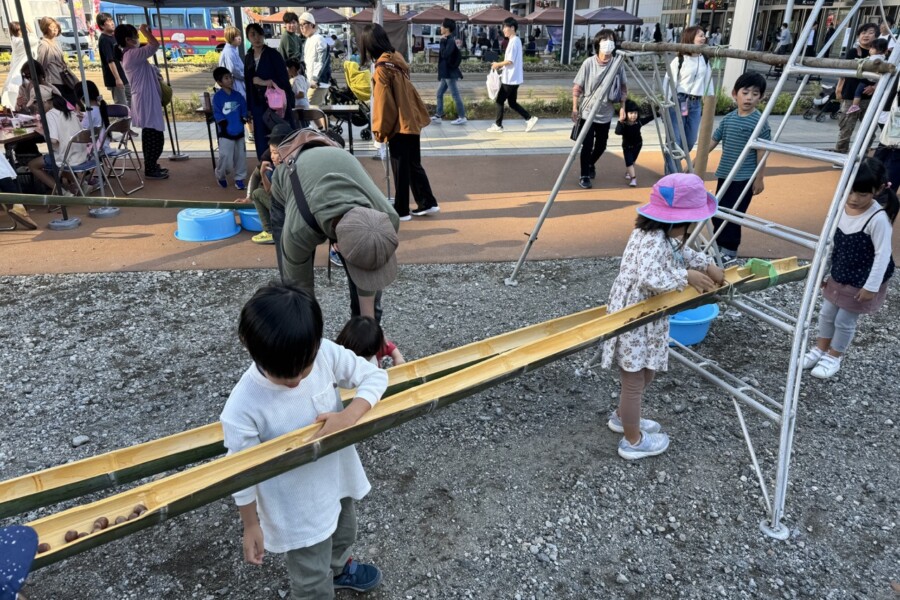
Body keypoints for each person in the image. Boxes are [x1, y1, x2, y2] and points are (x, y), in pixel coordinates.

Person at [221, 283, 385, 599]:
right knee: (310, 579)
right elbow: (241, 470)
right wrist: (251, 524)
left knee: (343, 532)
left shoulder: (323, 352)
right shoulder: (243, 405)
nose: (296, 380)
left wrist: (349, 415)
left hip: (337, 481)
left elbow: (376, 376)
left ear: (315, 343)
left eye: (303, 368)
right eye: (284, 374)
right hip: (296, 508)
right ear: (250, 347)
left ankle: (339, 570)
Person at [601, 173, 724, 460]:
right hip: (634, 318)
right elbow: (649, 276)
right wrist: (686, 276)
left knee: (648, 370)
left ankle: (623, 417)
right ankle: (632, 440)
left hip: (647, 315)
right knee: (634, 379)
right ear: (678, 222)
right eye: (690, 224)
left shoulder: (662, 236)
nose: (690, 230)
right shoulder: (653, 240)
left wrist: (706, 264)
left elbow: (681, 255)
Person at [270, 139, 400, 322]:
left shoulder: (387, 219)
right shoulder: (298, 232)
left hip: (334, 167)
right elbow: (300, 291)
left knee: (368, 317)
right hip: (290, 182)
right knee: (295, 299)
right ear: (337, 248)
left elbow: (369, 267)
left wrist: (368, 328)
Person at [802, 158, 897, 379]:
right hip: (840, 272)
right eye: (850, 191)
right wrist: (821, 272)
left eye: (862, 194)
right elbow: (831, 244)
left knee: (844, 320)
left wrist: (871, 286)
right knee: (826, 314)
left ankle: (835, 356)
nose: (854, 199)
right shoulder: (840, 208)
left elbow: (883, 255)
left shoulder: (878, 219)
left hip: (861, 279)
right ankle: (820, 348)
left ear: (878, 190)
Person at [364, 23, 439, 221]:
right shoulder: (397, 59)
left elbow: (383, 104)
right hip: (412, 118)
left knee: (400, 167)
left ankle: (402, 210)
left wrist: (379, 131)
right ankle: (427, 202)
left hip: (398, 123)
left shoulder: (381, 68)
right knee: (414, 163)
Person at [707, 72, 770, 263]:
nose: (749, 97)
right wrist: (696, 161)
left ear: (761, 97)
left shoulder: (759, 121)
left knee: (733, 214)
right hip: (725, 173)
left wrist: (759, 178)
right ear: (735, 94)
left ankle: (730, 250)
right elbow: (714, 139)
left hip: (744, 177)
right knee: (717, 210)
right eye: (745, 92)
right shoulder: (728, 119)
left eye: (755, 93)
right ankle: (717, 243)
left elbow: (762, 151)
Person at [572, 29, 626, 189]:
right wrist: (574, 107)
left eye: (611, 40)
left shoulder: (617, 64)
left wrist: (622, 108)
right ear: (598, 43)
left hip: (606, 113)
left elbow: (623, 88)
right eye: (605, 40)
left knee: (601, 145)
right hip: (588, 112)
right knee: (587, 145)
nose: (609, 43)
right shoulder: (589, 63)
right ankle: (584, 175)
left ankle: (590, 163)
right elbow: (577, 87)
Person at [116, 23, 168, 180]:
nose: (138, 39)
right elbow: (154, 45)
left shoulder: (131, 55)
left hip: (147, 97)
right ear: (128, 39)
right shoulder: (131, 55)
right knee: (153, 134)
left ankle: (152, 165)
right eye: (136, 36)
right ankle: (150, 167)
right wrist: (145, 31)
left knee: (153, 133)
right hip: (145, 99)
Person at [664, 25, 713, 174]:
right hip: (679, 100)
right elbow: (668, 80)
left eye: (703, 35)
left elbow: (708, 82)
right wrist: (666, 104)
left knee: (690, 141)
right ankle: (673, 175)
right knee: (676, 140)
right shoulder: (679, 60)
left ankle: (671, 167)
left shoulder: (704, 59)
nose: (703, 38)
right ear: (690, 38)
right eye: (700, 35)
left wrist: (710, 102)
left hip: (695, 103)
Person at [235, 123, 293, 248]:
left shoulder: (287, 163)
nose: (273, 155)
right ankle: (271, 231)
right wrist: (249, 197)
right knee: (257, 193)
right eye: (272, 151)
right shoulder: (271, 156)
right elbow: (258, 176)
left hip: (292, 210)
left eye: (275, 152)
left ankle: (271, 231)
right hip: (290, 206)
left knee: (261, 193)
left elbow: (272, 192)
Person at [244, 23, 294, 160]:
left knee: (277, 137)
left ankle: (281, 167)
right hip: (257, 104)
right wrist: (248, 108)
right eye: (252, 34)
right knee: (260, 138)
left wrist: (266, 82)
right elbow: (248, 83)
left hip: (274, 105)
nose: (257, 38)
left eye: (259, 34)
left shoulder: (273, 54)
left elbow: (284, 80)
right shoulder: (248, 57)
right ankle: (264, 169)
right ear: (248, 37)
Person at [27, 85, 86, 196]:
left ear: (44, 102)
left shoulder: (50, 115)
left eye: (35, 104)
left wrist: (43, 133)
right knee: (56, 161)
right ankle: (81, 184)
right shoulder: (69, 111)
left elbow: (53, 141)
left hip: (67, 158)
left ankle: (62, 193)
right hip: (80, 154)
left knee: (33, 165)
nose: (35, 107)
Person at [834, 23, 879, 154]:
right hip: (850, 96)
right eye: (863, 33)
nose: (866, 35)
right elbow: (843, 74)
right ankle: (840, 155)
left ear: (876, 36)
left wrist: (875, 87)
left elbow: (885, 75)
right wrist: (838, 90)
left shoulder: (880, 55)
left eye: (870, 32)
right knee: (846, 129)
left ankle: (861, 156)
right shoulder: (853, 52)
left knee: (869, 130)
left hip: (870, 99)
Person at [488, 17, 538, 134]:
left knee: (500, 101)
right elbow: (511, 61)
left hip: (510, 79)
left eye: (505, 27)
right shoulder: (515, 40)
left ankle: (498, 125)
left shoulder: (514, 41)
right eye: (503, 27)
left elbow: (510, 61)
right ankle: (529, 119)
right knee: (512, 103)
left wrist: (497, 64)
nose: (503, 30)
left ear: (512, 28)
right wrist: (500, 66)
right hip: (514, 78)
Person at [212, 67, 248, 191]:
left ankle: (239, 178)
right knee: (225, 157)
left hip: (239, 131)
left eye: (230, 77)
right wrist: (223, 125)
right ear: (219, 82)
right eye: (226, 78)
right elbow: (217, 113)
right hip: (226, 132)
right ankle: (220, 175)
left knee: (240, 157)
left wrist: (244, 118)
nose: (230, 80)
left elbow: (244, 109)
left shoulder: (238, 96)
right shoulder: (217, 97)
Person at [36, 17, 80, 107]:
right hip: (54, 81)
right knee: (67, 105)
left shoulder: (55, 42)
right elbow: (40, 65)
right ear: (45, 28)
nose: (55, 29)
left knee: (74, 104)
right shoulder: (44, 45)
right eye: (52, 27)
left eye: (56, 27)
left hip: (64, 79)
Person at [335, 315, 406, 368]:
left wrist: (398, 358)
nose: (363, 361)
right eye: (359, 357)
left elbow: (390, 348)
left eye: (368, 357)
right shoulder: (339, 357)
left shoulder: (372, 346)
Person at [432, 18, 467, 126]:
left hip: (450, 73)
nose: (440, 28)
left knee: (455, 95)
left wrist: (442, 41)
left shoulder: (450, 40)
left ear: (447, 29)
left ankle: (462, 117)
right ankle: (439, 115)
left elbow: (444, 54)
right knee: (439, 93)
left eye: (442, 26)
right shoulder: (448, 39)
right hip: (446, 73)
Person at [615, 99, 655, 188]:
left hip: (638, 145)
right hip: (627, 147)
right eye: (631, 113)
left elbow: (649, 118)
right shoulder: (623, 124)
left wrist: (659, 113)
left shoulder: (639, 122)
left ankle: (628, 171)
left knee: (632, 161)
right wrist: (620, 121)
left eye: (635, 113)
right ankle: (633, 178)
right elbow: (617, 132)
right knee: (629, 162)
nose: (633, 115)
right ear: (626, 113)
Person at [96, 13, 130, 107]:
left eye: (112, 20)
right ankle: (124, 121)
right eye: (109, 21)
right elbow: (110, 61)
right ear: (102, 25)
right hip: (115, 78)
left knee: (132, 99)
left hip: (123, 74)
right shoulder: (104, 40)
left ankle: (134, 120)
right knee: (121, 104)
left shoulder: (113, 37)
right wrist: (117, 78)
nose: (112, 23)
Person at [848, 38, 888, 115]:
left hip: (868, 79)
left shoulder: (874, 58)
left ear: (879, 50)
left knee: (858, 92)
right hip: (874, 80)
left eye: (872, 48)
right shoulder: (883, 58)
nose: (870, 50)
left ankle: (855, 105)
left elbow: (865, 63)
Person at [298, 12, 331, 106]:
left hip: (318, 83)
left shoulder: (319, 39)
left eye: (303, 24)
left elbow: (321, 61)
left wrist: (315, 79)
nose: (301, 28)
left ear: (312, 25)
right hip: (311, 82)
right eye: (300, 25)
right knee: (314, 110)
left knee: (310, 109)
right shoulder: (308, 40)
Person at [1, 22, 34, 109]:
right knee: (19, 91)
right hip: (19, 72)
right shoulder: (19, 41)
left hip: (18, 71)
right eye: (21, 29)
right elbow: (34, 41)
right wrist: (30, 29)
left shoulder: (15, 40)